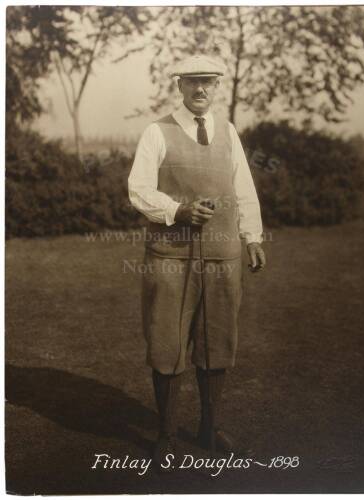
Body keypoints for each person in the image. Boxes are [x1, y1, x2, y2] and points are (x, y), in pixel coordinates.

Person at [128, 54, 265, 468]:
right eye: (192, 82)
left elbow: (244, 187)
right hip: (171, 256)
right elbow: (138, 190)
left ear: (217, 86)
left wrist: (252, 237)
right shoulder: (157, 132)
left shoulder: (227, 131)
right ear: (179, 86)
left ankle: (210, 426)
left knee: (218, 342)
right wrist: (178, 211)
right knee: (167, 343)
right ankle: (167, 433)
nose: (201, 89)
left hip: (224, 256)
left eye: (208, 82)